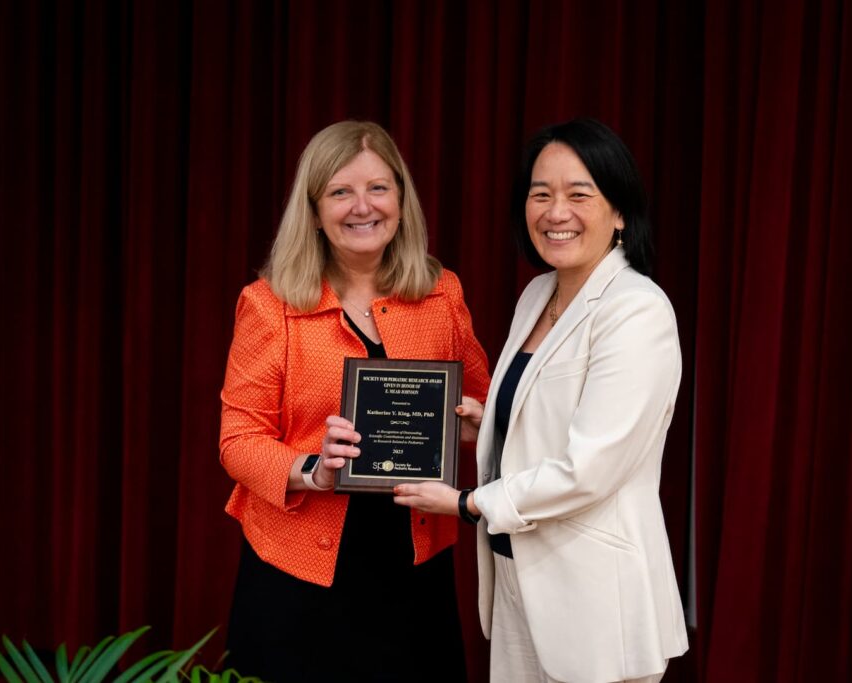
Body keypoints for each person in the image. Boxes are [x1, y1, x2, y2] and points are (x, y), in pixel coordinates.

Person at [394, 118, 689, 682]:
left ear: (620, 212)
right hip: (518, 579)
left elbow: (590, 468)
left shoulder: (636, 309)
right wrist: (491, 423)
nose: (556, 212)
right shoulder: (538, 294)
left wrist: (464, 503)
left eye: (580, 194)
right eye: (541, 194)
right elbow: (551, 415)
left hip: (596, 601)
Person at [218, 120, 491, 682]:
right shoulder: (269, 305)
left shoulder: (442, 293)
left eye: (378, 188)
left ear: (400, 198)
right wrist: (312, 469)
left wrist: (472, 423)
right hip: (298, 574)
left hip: (413, 566)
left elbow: (481, 406)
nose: (362, 207)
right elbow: (238, 441)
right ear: (314, 210)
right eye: (340, 191)